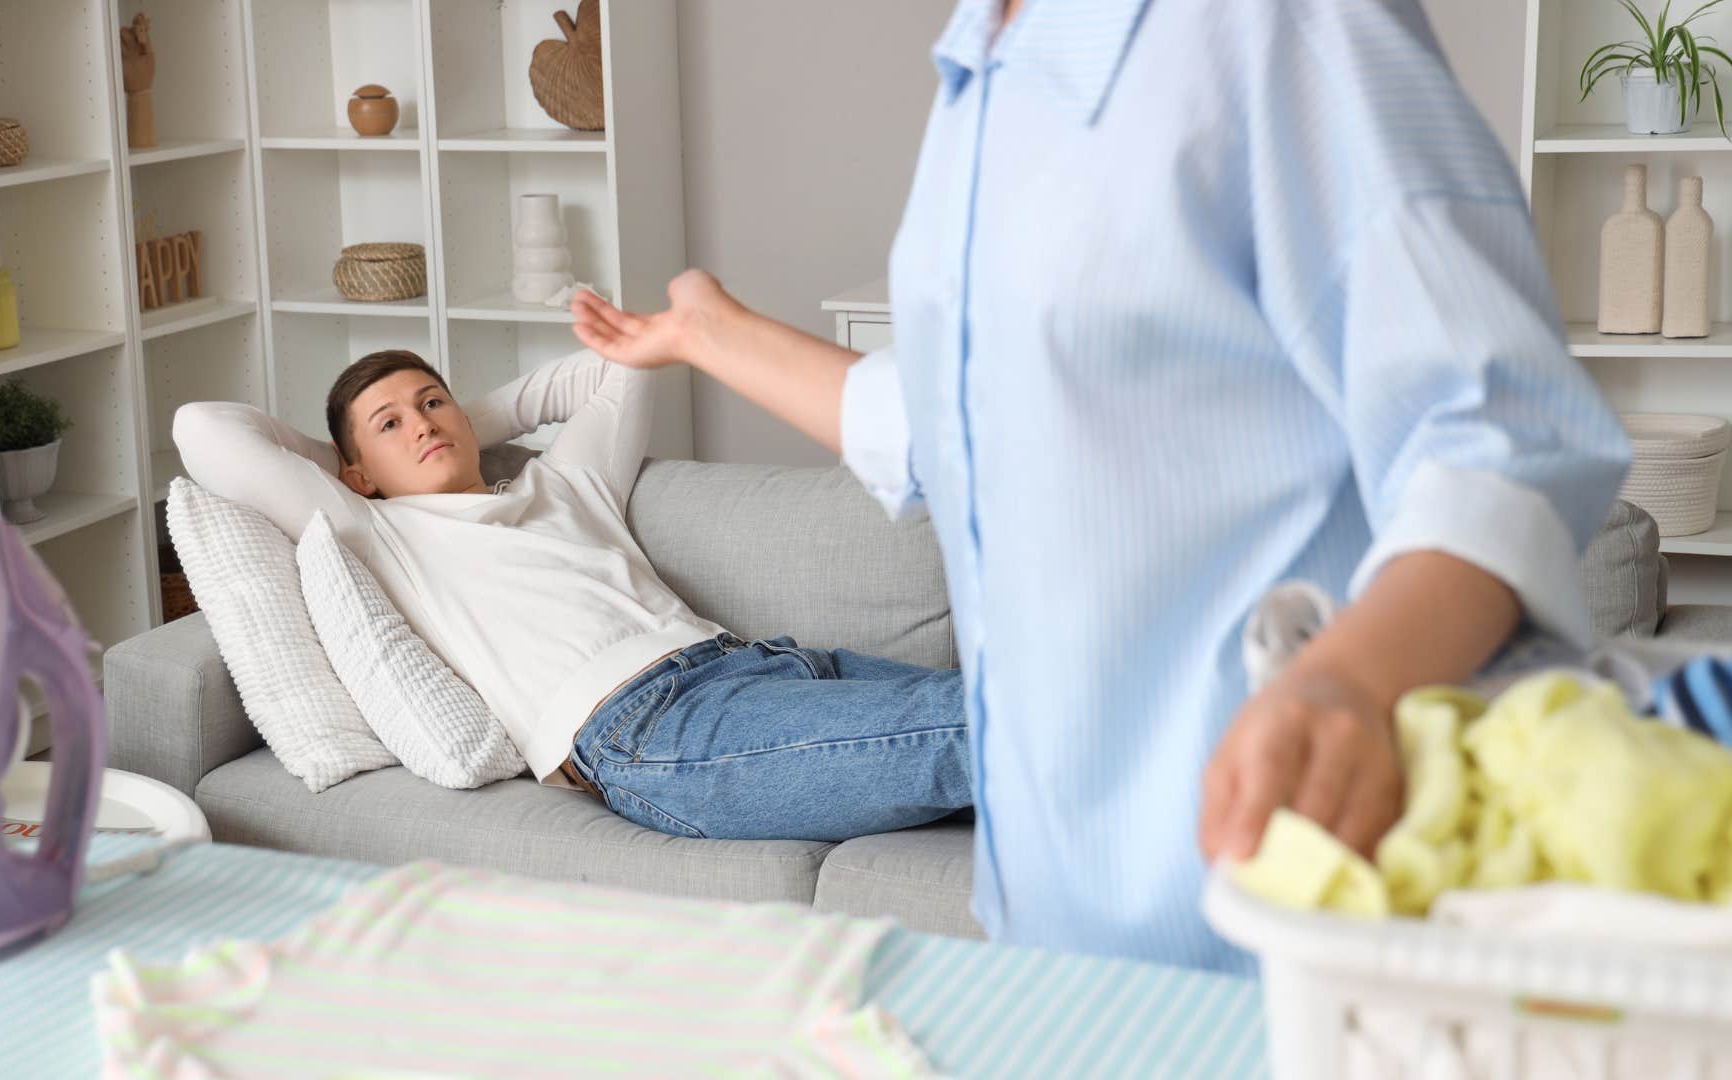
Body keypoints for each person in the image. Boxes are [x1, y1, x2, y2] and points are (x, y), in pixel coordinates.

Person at [570, 0, 1632, 972]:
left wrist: (1346, 680)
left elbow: (1501, 430)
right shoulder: (983, 69)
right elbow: (969, 431)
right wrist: (720, 337)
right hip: (1050, 929)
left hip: (1300, 927)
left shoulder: (1278, 22)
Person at [174, 348, 971, 842]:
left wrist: (461, 419)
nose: (421, 423)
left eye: (430, 402)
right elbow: (200, 427)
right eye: (389, 424)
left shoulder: (564, 484)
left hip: (761, 666)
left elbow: (624, 363)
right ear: (354, 474)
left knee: (1007, 713)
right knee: (988, 732)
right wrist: (354, 464)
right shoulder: (370, 530)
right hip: (651, 731)